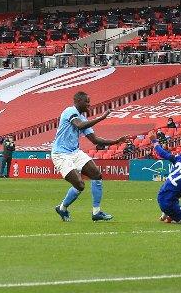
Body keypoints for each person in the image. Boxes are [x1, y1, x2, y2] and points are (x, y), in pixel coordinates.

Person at [52, 91, 129, 222]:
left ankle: (96, 212)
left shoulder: (83, 118)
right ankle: (62, 208)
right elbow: (79, 125)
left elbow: (95, 140)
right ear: (78, 101)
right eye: (87, 102)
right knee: (80, 185)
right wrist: (101, 118)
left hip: (75, 152)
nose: (89, 104)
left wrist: (116, 142)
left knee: (96, 175)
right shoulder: (69, 111)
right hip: (61, 154)